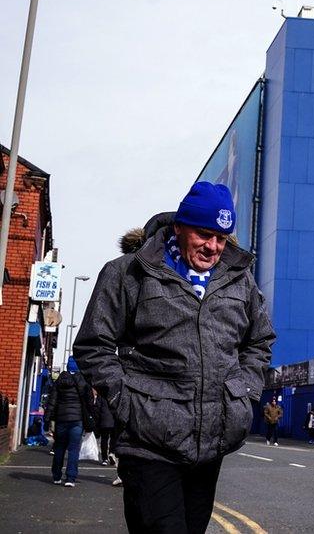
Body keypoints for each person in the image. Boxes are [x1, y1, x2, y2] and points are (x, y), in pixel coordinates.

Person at [73, 181, 276, 534]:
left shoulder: (240, 280)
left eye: (222, 238)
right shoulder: (127, 273)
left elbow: (259, 342)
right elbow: (93, 345)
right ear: (180, 226)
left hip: (210, 444)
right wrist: (127, 401)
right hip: (148, 440)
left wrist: (242, 393)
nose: (213, 246)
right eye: (204, 234)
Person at [45, 357, 92, 487]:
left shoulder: (60, 380)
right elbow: (89, 402)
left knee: (59, 448)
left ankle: (56, 476)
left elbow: (52, 401)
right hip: (77, 420)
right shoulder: (83, 380)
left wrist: (47, 419)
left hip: (61, 420)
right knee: (73, 450)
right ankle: (70, 478)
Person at [93, 388, 116, 466]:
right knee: (114, 438)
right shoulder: (115, 395)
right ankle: (112, 452)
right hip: (114, 420)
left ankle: (104, 459)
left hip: (104, 420)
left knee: (104, 440)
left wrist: (96, 422)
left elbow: (96, 409)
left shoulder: (101, 396)